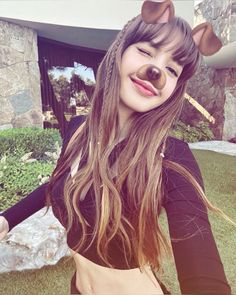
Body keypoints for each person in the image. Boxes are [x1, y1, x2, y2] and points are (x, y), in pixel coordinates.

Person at [0, 1, 233, 294]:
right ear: (121, 52)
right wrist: (8, 218)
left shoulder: (171, 157)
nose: (156, 70)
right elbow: (57, 184)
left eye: (172, 70)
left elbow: (201, 263)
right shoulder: (78, 129)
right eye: (146, 51)